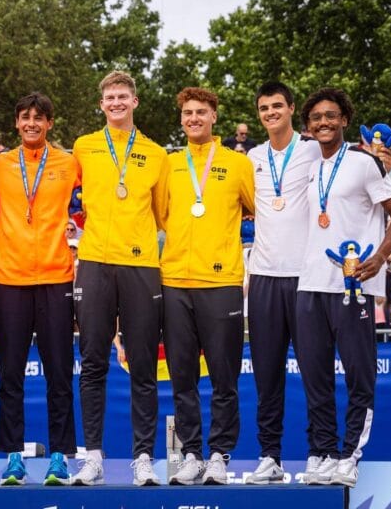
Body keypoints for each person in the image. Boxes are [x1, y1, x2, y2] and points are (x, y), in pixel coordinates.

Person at [295, 87, 391, 487]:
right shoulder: (310, 166)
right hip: (310, 284)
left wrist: (380, 257)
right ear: (308, 127)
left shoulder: (362, 164)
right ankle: (322, 452)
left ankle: (349, 455)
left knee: (359, 376)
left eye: (331, 115)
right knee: (315, 376)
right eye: (316, 118)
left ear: (344, 120)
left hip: (352, 286)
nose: (323, 122)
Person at [71, 71, 168, 486]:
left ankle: (143, 457)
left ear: (135, 101)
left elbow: (163, 215)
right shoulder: (84, 147)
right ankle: (92, 456)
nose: (116, 102)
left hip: (142, 265)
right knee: (93, 363)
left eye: (122, 96)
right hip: (93, 261)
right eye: (109, 97)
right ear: (101, 104)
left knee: (142, 365)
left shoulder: (156, 153)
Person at [154, 87, 254, 486]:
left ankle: (220, 455)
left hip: (222, 280)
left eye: (201, 112)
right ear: (181, 119)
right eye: (188, 113)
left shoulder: (237, 164)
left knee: (224, 378)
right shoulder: (170, 164)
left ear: (215, 117)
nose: (194, 118)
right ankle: (192, 453)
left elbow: (258, 210)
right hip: (175, 280)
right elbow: (162, 217)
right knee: (182, 378)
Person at [0, 92, 80, 487]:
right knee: (11, 372)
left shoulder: (68, 162)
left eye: (39, 118)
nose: (31, 123)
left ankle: (60, 456)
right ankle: (14, 457)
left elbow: (92, 205)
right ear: (16, 123)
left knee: (59, 373)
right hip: (10, 279)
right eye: (25, 117)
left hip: (56, 276)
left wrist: (78, 233)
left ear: (49, 123)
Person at [243, 81, 322, 485]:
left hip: (306, 277)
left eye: (277, 105)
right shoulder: (252, 157)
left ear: (292, 108)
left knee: (314, 371)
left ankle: (318, 453)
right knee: (267, 375)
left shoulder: (313, 149)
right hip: (264, 278)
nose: (271, 112)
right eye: (264, 108)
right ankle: (269, 456)